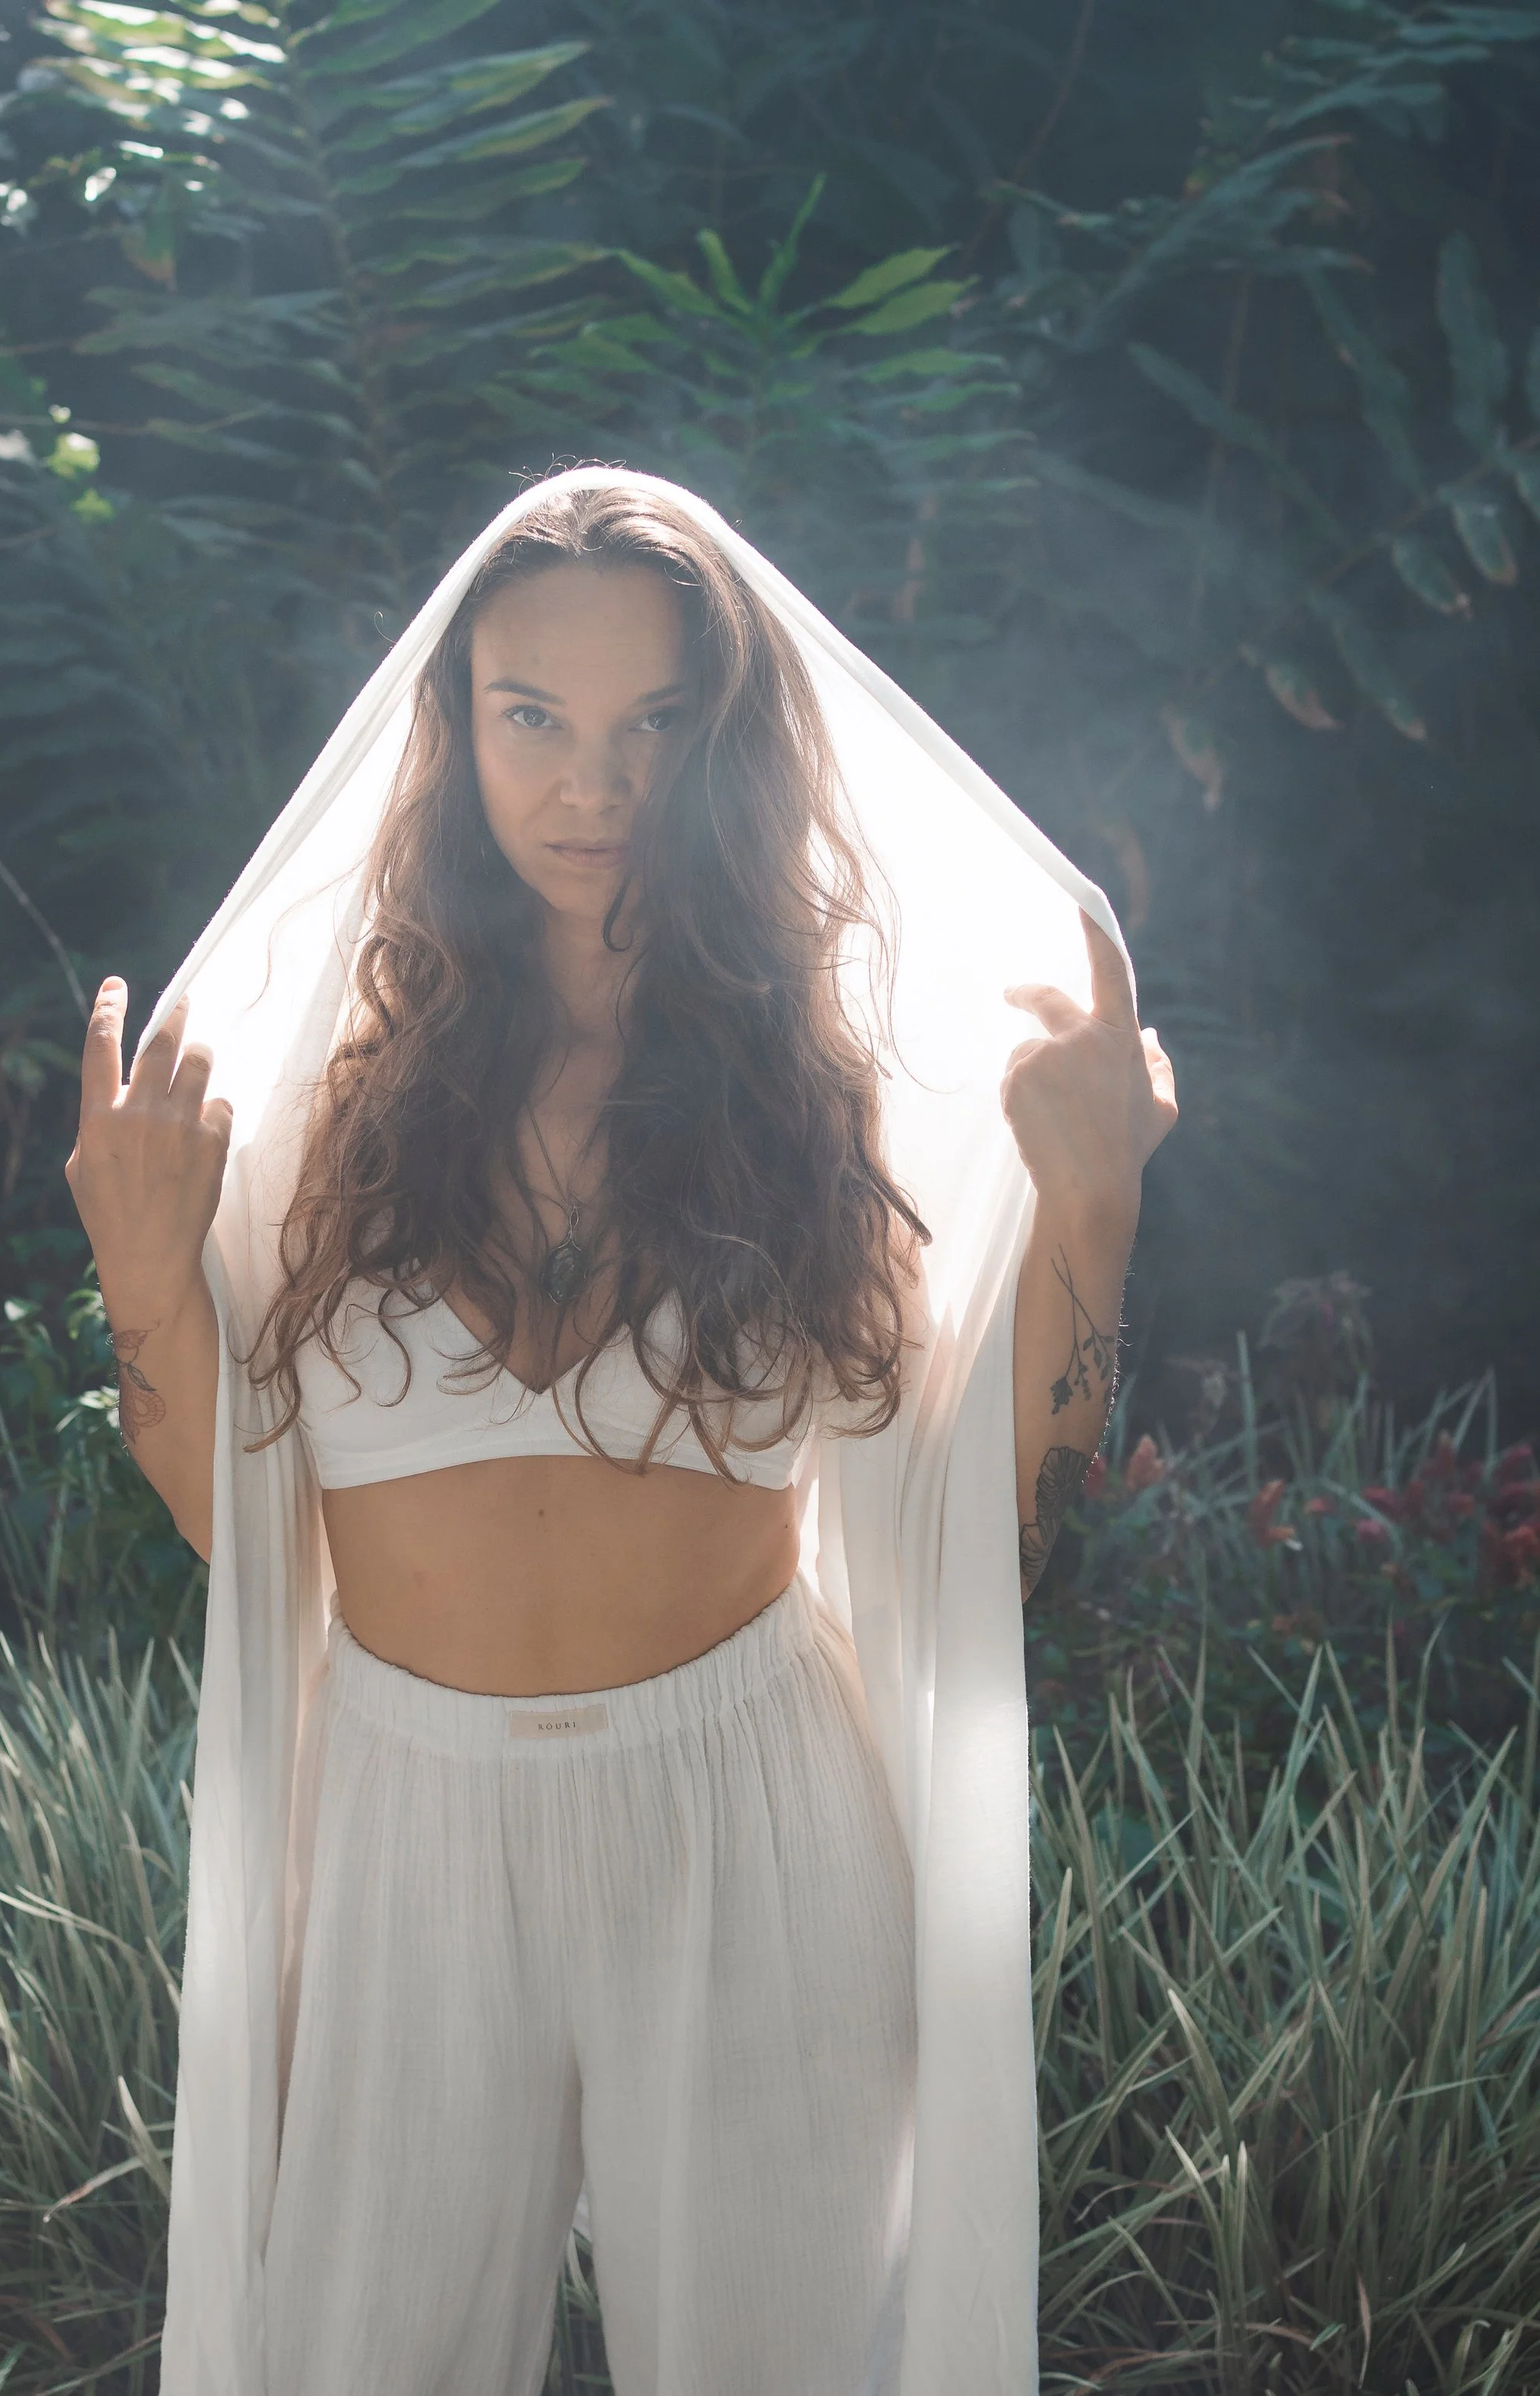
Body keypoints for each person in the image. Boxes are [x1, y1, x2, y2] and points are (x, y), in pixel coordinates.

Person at [65, 474, 1176, 2396]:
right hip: (408, 1817)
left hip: (750, 1805)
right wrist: (141, 1277)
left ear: (728, 740)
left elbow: (985, 1525)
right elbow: (235, 1533)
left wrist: (1090, 1214)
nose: (592, 783)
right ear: (453, 724)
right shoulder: (316, 1092)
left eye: (655, 722)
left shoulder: (833, 1089)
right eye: (533, 717)